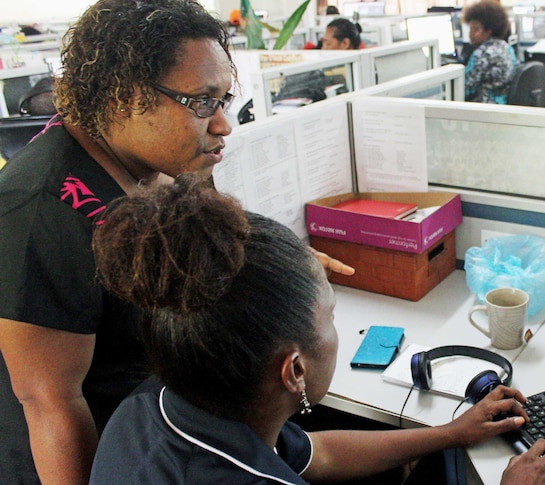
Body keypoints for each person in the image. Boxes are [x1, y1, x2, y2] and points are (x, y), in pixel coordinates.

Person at [0, 1, 352, 483]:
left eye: (224, 100)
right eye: (202, 102)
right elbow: (50, 404)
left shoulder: (157, 165)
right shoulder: (38, 212)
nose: (223, 124)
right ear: (123, 98)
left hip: (171, 422)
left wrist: (283, 269)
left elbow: (199, 245)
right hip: (113, 451)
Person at [88, 174, 545, 484]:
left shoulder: (156, 406)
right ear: (295, 370)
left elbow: (315, 455)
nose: (335, 327)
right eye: (328, 316)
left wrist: (451, 433)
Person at [462, 0, 518, 104]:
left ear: (489, 31)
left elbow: (464, 88)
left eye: (476, 29)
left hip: (484, 108)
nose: (471, 34)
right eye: (470, 29)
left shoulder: (482, 54)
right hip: (502, 104)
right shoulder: (506, 47)